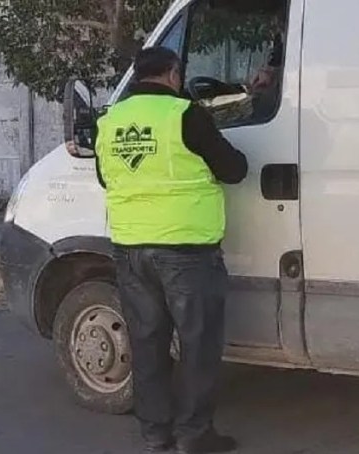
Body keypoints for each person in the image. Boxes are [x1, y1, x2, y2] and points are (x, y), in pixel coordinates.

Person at [94, 47, 248, 454]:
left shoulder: (109, 121)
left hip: (131, 249)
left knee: (147, 344)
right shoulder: (186, 116)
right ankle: (195, 435)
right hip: (185, 250)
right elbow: (233, 169)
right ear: (174, 74)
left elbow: (105, 177)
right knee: (197, 346)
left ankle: (155, 434)